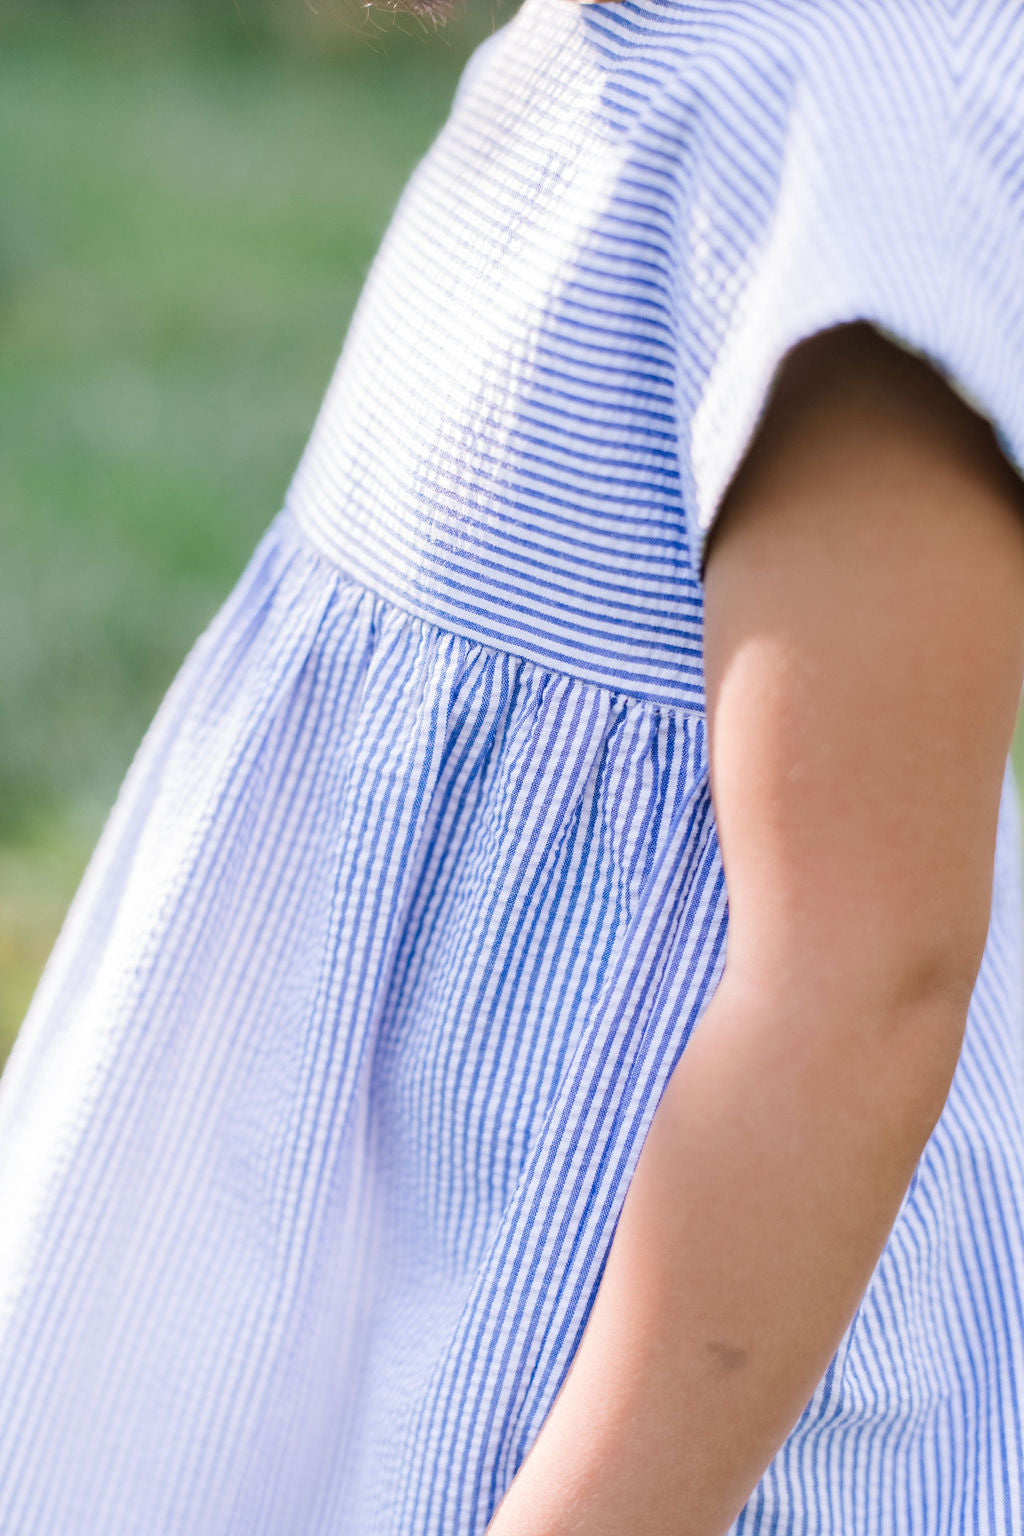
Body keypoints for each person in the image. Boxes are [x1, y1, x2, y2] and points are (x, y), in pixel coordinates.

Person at [1, 0, 1024, 1531]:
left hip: (629, 1442)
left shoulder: (847, 140)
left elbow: (858, 988)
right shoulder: (608, 52)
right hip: (369, 1314)